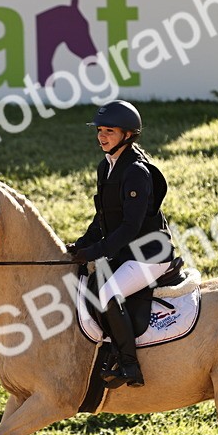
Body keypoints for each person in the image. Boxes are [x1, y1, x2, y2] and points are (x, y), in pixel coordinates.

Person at [68, 100, 175, 389]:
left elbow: (130, 227)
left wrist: (95, 251)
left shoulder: (136, 172)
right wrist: (80, 245)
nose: (101, 136)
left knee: (108, 294)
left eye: (109, 131)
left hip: (150, 255)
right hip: (126, 253)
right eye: (100, 130)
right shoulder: (106, 167)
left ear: (128, 135)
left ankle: (129, 365)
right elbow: (103, 218)